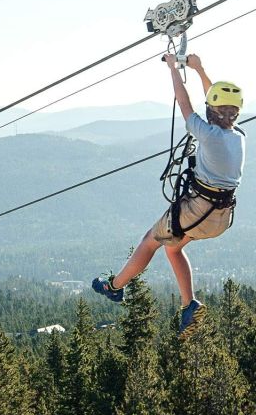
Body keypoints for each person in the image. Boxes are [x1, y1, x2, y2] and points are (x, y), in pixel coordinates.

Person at [92, 52, 245, 333]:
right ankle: (189, 306)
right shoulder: (238, 137)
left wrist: (174, 68)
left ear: (211, 110)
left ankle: (114, 287)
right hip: (221, 217)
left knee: (150, 240)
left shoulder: (208, 134)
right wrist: (199, 69)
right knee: (173, 248)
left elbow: (184, 101)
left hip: (197, 210)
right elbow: (216, 103)